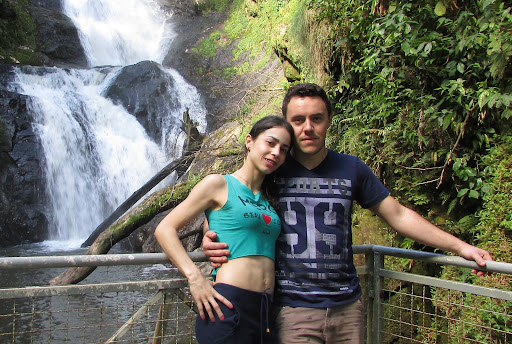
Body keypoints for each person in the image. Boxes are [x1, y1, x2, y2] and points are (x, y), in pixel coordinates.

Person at [203, 83, 492, 344]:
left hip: (347, 308)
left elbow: (398, 215)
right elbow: (233, 202)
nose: (308, 128)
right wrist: (209, 233)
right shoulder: (272, 166)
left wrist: (460, 247)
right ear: (286, 123)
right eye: (298, 120)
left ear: (329, 120)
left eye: (317, 118)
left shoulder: (352, 168)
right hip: (292, 310)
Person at [155, 115, 294, 344]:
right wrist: (194, 277)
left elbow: (231, 223)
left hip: (265, 309)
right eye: (270, 143)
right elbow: (165, 229)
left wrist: (208, 232)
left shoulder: (269, 198)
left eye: (284, 149)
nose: (276, 152)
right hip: (228, 304)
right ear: (249, 141)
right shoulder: (218, 184)